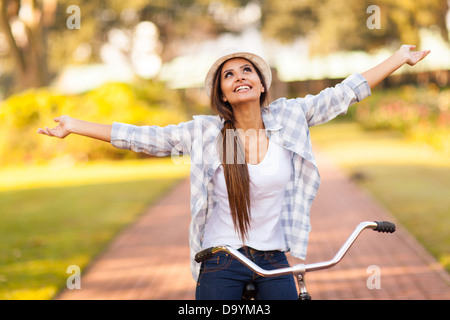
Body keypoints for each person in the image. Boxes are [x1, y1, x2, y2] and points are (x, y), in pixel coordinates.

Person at [38, 44, 429, 300]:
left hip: (275, 258)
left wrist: (399, 58)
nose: (240, 76)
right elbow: (143, 137)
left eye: (247, 70)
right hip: (222, 257)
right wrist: (75, 125)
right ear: (223, 94)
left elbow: (344, 93)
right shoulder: (211, 134)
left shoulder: (290, 117)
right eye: (229, 74)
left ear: (261, 85)